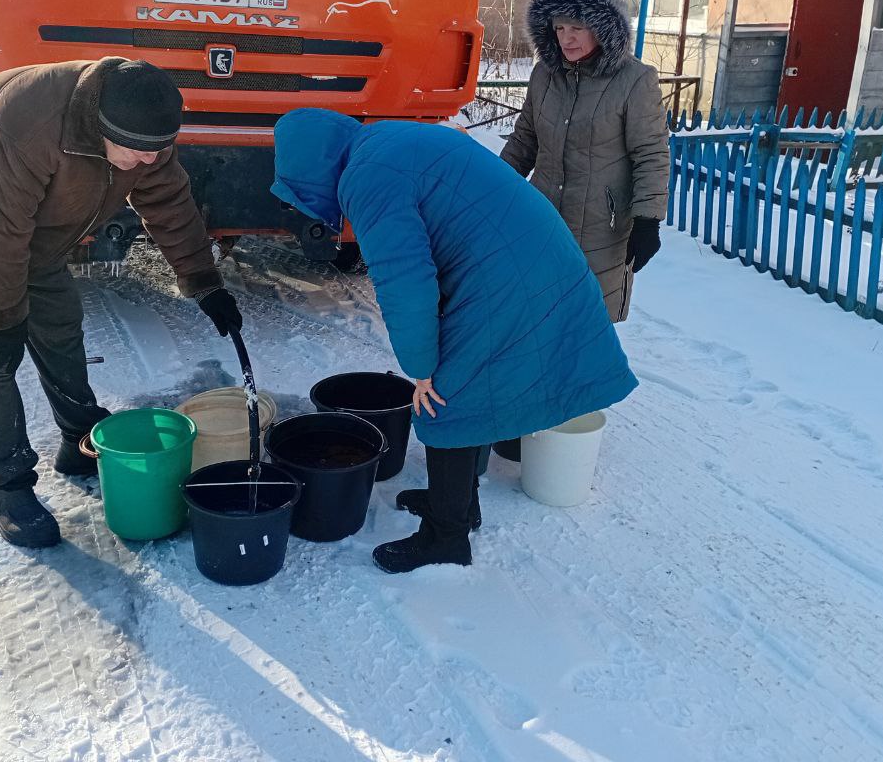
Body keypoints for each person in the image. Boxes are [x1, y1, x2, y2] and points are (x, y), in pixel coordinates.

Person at [271, 108, 638, 573]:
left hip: (507, 279)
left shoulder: (366, 178)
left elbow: (406, 281)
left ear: (311, 167)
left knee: (445, 400)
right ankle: (460, 503)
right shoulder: (386, 141)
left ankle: (445, 538)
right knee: (468, 394)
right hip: (534, 256)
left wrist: (421, 368)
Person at [0, 59, 242, 548]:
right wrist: (0, 319)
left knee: (60, 323)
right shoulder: (20, 128)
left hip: (37, 232)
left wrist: (204, 280)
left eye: (158, 150)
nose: (150, 160)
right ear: (102, 129)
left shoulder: (141, 128)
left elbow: (168, 201)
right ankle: (7, 487)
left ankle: (80, 437)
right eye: (139, 152)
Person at [501, 0, 671, 324]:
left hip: (601, 229)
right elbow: (524, 140)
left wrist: (648, 220)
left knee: (589, 324)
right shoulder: (544, 75)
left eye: (576, 27)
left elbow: (651, 154)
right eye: (559, 28)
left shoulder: (634, 80)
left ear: (601, 26)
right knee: (538, 316)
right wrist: (495, 190)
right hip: (543, 218)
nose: (567, 39)